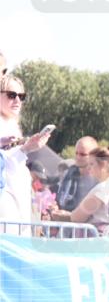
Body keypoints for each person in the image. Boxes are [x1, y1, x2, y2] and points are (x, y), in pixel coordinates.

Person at [1, 75, 53, 228]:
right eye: (11, 95)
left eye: (21, 96)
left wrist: (28, 147)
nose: (17, 100)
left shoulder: (11, 124)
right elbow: (4, 163)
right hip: (5, 196)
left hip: (17, 194)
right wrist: (26, 148)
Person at [50, 146, 109, 231]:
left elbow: (77, 218)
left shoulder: (102, 188)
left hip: (96, 239)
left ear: (103, 165)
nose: (89, 167)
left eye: (92, 164)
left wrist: (62, 215)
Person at [55, 136, 97, 212]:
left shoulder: (99, 180)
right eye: (76, 153)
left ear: (94, 156)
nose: (78, 157)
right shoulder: (69, 173)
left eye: (82, 154)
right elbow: (60, 198)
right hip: (64, 219)